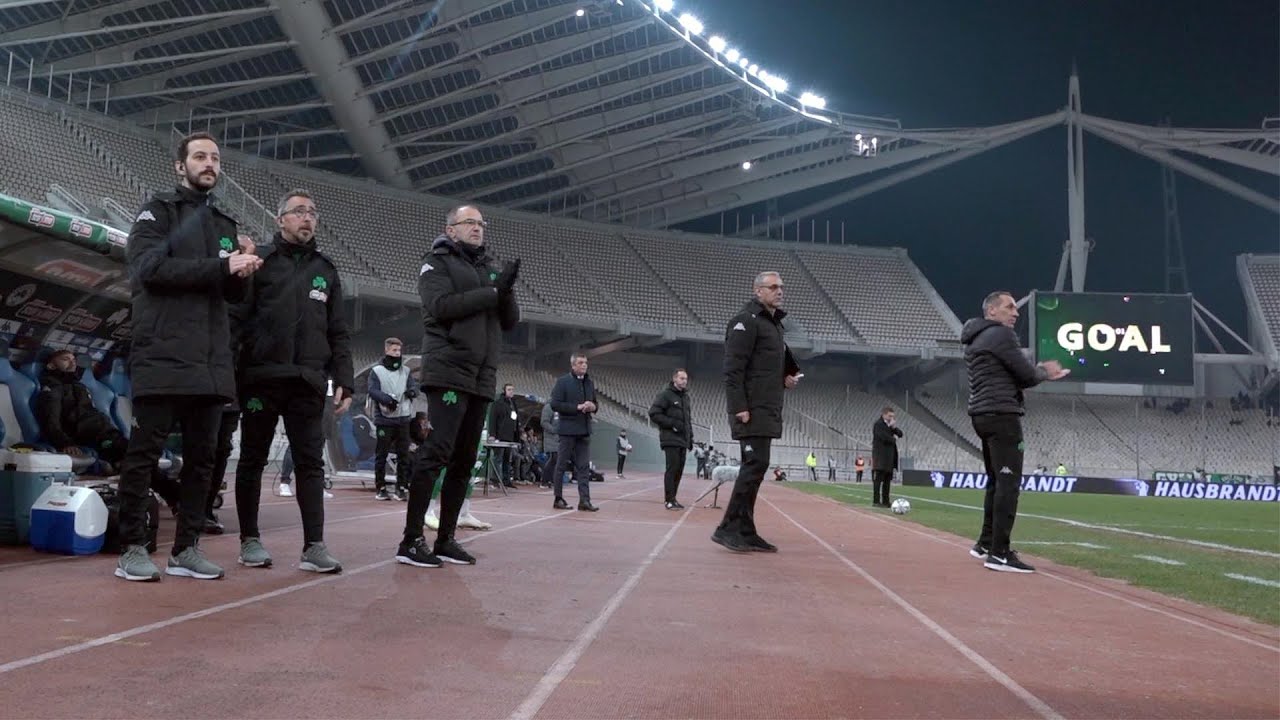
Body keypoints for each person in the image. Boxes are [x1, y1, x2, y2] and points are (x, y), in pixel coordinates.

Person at [114, 131, 263, 582]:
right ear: (180, 166)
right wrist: (223, 267)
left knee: (204, 458)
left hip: (210, 359)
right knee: (145, 453)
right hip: (162, 353)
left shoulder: (224, 223)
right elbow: (148, 270)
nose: (209, 163)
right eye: (200, 156)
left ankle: (187, 548)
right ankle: (132, 549)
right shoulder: (156, 211)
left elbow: (233, 297)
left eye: (215, 158)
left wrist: (244, 268)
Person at [230, 189, 353, 574]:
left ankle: (314, 546)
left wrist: (344, 377)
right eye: (299, 212)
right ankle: (249, 540)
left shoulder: (326, 270)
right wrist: (232, 372)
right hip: (261, 378)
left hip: (307, 381)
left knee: (310, 464)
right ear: (280, 219)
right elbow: (237, 318)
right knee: (251, 458)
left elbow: (338, 330)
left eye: (313, 213)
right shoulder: (260, 262)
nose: (307, 218)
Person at [396, 204, 520, 568]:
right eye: (470, 222)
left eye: (481, 223)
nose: (478, 228)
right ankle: (411, 539)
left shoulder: (488, 268)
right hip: (449, 369)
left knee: (465, 460)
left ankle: (446, 539)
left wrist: (506, 291)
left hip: (482, 375)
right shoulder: (436, 262)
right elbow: (441, 305)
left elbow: (510, 321)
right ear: (451, 229)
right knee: (437, 452)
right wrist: (493, 291)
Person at [962, 290, 1069, 573]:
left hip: (981, 414)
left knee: (996, 481)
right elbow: (1025, 375)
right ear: (992, 311)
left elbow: (1003, 374)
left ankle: (985, 543)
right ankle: (999, 553)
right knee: (1008, 484)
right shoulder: (1001, 335)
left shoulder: (975, 339)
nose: (1016, 312)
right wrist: (1045, 371)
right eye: (1009, 307)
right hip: (1002, 415)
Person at [712, 271, 801, 553]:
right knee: (753, 467)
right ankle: (727, 528)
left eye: (781, 287)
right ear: (758, 291)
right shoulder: (744, 321)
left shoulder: (774, 325)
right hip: (751, 409)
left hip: (768, 406)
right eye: (773, 287)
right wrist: (739, 407)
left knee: (758, 466)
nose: (779, 291)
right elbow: (732, 370)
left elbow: (769, 367)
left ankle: (746, 530)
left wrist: (785, 378)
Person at [549, 353, 599, 511]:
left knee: (584, 467)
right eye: (580, 362)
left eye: (585, 362)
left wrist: (593, 407)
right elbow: (555, 404)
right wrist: (576, 407)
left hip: (584, 430)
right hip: (567, 430)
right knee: (561, 464)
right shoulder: (562, 382)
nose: (584, 365)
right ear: (573, 365)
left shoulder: (589, 383)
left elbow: (596, 403)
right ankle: (558, 498)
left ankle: (584, 500)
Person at [369, 337, 417, 501]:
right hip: (385, 420)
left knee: (404, 455)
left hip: (403, 419)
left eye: (399, 350)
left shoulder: (406, 371)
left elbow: (413, 386)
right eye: (394, 350)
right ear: (387, 350)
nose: (397, 353)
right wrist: (387, 400)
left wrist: (412, 392)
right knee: (381, 455)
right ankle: (380, 487)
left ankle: (401, 487)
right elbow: (373, 390)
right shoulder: (376, 371)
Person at [648, 368, 693, 509]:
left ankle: (673, 498)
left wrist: (690, 438)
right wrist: (672, 424)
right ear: (674, 379)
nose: (684, 381)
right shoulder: (665, 395)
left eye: (685, 379)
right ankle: (668, 500)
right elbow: (654, 413)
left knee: (679, 470)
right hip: (670, 438)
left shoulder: (686, 397)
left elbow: (687, 420)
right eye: (681, 378)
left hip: (682, 440)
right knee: (672, 468)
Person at [486, 383, 519, 487]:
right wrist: (492, 434)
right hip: (499, 435)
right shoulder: (497, 403)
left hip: (510, 436)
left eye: (512, 389)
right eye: (509, 389)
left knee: (507, 459)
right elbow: (492, 419)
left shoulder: (513, 404)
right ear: (504, 391)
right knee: (498, 458)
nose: (511, 391)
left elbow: (516, 420)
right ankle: (495, 480)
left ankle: (506, 480)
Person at [871, 407, 903, 507]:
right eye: (890, 416)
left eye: (893, 416)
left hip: (890, 457)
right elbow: (884, 437)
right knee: (878, 480)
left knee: (887, 481)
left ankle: (886, 501)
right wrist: (893, 438)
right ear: (884, 414)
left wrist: (894, 428)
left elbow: (900, 434)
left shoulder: (890, 426)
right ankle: (876, 501)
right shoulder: (878, 424)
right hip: (881, 457)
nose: (891, 418)